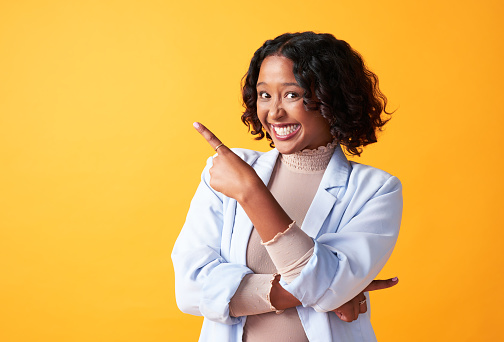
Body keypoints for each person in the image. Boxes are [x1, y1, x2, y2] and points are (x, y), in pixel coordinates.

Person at [172, 31, 403, 342]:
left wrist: (252, 193)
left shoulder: (376, 190)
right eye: (265, 95)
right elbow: (189, 289)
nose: (274, 112)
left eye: (292, 94)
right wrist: (325, 291)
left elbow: (323, 286)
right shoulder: (227, 171)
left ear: (332, 98)